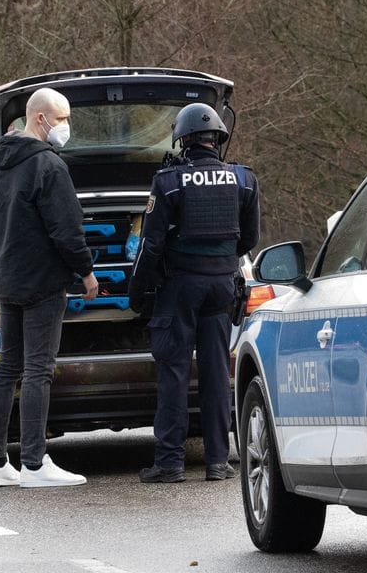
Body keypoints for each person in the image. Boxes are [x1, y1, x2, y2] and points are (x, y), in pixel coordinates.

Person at [129, 102, 260, 483]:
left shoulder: (168, 182)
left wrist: (138, 293)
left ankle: (170, 463)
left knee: (173, 372)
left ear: (183, 140)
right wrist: (219, 263)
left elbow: (150, 247)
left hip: (180, 289)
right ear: (218, 138)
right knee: (217, 372)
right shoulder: (244, 179)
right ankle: (218, 461)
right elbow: (250, 238)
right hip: (222, 288)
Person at [0, 86, 99, 488]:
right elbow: (66, 229)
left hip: (7, 278)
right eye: (61, 119)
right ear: (40, 118)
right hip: (43, 280)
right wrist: (86, 272)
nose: (65, 127)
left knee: (8, 365)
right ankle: (33, 463)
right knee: (38, 371)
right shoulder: (48, 166)